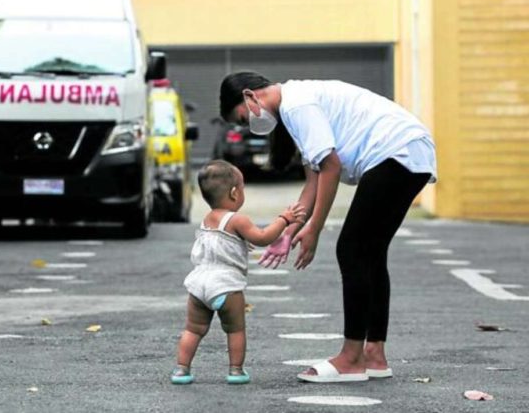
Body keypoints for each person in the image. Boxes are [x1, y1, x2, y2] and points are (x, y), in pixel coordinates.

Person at [220, 72, 437, 383]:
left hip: (397, 151)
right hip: (409, 151)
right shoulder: (295, 107)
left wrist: (316, 230)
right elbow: (314, 181)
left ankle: (351, 358)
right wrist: (291, 231)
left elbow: (331, 167)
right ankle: (374, 355)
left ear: (249, 96)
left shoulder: (296, 105)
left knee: (351, 249)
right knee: (371, 252)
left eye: (241, 119)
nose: (248, 126)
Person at [171, 159, 305, 385]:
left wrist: (241, 243)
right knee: (235, 329)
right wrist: (284, 220)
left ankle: (181, 370)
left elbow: (220, 243)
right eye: (242, 188)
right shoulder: (238, 219)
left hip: (198, 284)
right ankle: (235, 370)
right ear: (234, 193)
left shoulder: (208, 218)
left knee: (193, 330)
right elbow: (263, 238)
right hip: (226, 285)